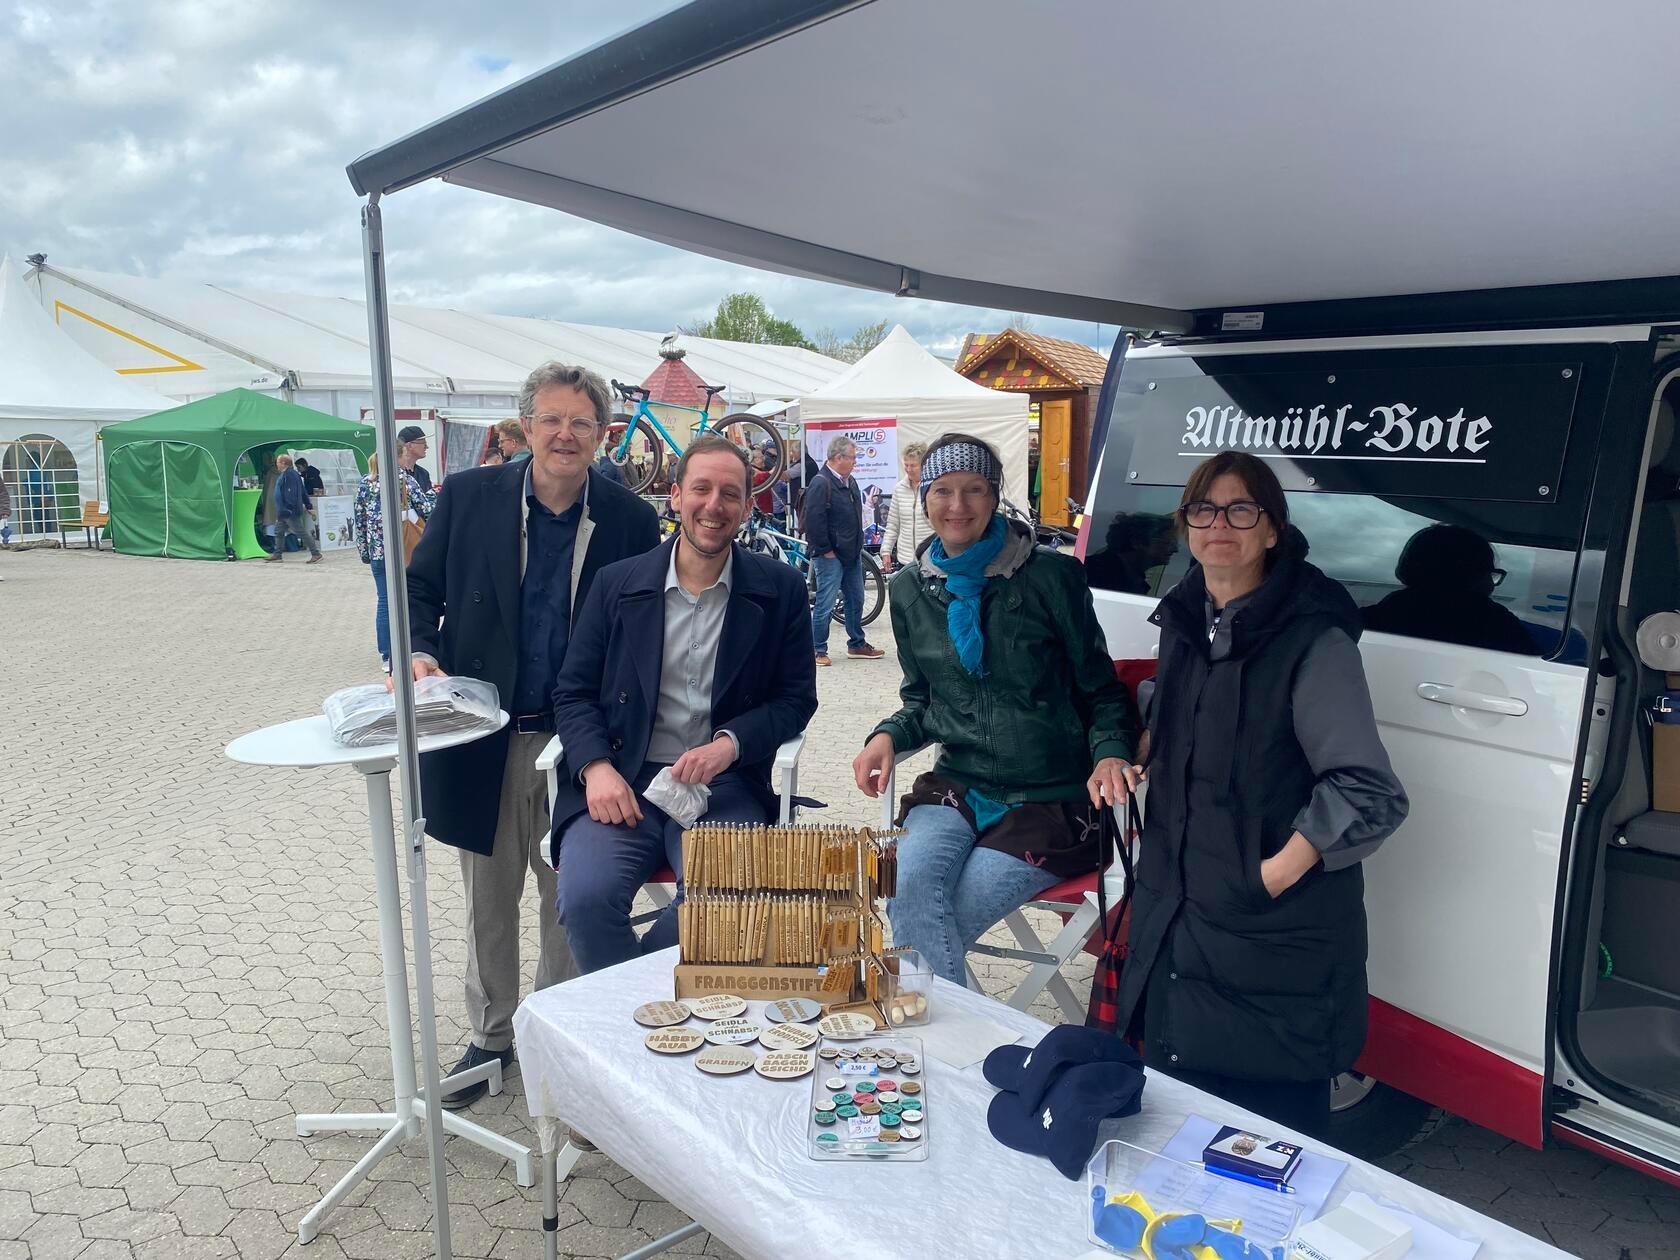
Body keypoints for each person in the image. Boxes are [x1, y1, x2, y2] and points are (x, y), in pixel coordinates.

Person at [1112, 451, 1409, 1139]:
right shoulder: (1190, 621)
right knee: (1176, 1140)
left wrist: (1272, 873)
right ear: (1186, 525)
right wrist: (1134, 745)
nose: (1221, 524)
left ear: (1273, 529)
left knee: (1267, 1160)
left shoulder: (1314, 639)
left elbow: (1368, 790)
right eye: (1204, 509)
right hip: (1182, 917)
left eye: (1242, 509)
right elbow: (1192, 714)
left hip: (1269, 933)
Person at [405, 361, 661, 1109]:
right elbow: (419, 586)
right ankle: (490, 1037)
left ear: (603, 435)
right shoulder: (468, 496)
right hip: (483, 733)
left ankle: (553, 1029)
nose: (565, 435)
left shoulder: (629, 519)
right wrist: (418, 649)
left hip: (581, 745)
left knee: (567, 896)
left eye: (582, 423)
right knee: (489, 896)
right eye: (551, 419)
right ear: (525, 427)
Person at [853, 433, 1138, 986]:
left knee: (932, 920)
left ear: (995, 495)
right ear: (921, 494)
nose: (957, 506)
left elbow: (1102, 691)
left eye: (974, 490)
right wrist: (887, 734)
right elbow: (922, 700)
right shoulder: (911, 590)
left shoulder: (1051, 578)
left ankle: (941, 1053)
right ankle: (946, 1051)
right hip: (957, 788)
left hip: (1050, 800)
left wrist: (1110, 754)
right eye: (942, 491)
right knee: (906, 890)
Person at [551, 436, 819, 972]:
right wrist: (595, 768)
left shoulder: (781, 588)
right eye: (700, 488)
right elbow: (573, 691)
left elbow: (795, 701)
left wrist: (729, 746)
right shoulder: (616, 584)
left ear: (747, 506)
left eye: (729, 494)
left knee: (718, 898)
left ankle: (631, 1011)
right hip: (623, 781)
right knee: (585, 901)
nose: (713, 506)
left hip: (724, 786)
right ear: (675, 496)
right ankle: (637, 1025)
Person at [1362, 523, 1533, 654]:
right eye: (1490, 573)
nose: (1491, 585)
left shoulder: (1363, 621)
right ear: (1472, 575)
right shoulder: (1497, 625)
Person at [804, 435, 884, 666]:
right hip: (830, 556)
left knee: (855, 599)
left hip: (851, 554)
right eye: (852, 458)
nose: (855, 462)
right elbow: (814, 521)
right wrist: (826, 550)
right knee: (825, 604)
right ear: (838, 457)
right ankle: (817, 649)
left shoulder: (850, 481)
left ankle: (857, 644)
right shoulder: (821, 483)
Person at [353, 452, 435, 670]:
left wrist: (364, 551)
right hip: (403, 548)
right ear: (397, 458)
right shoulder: (404, 479)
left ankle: (386, 654)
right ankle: (406, 647)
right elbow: (426, 508)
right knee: (407, 598)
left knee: (384, 600)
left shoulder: (365, 483)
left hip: (377, 551)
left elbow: (359, 519)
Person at [265, 454, 322, 564]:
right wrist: (308, 505)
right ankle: (277, 554)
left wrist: (288, 509)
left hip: (289, 511)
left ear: (283, 463)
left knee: (300, 532)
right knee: (279, 531)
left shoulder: (289, 475)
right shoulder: (292, 474)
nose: (276, 465)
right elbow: (303, 491)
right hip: (284, 511)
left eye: (277, 462)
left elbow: (290, 493)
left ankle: (316, 553)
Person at [879, 442, 927, 572]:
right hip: (905, 561)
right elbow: (893, 524)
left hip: (931, 560)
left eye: (913, 465)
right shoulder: (899, 489)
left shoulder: (934, 488)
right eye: (906, 465)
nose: (908, 469)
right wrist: (886, 550)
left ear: (924, 465)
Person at [398, 426, 434, 492]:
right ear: (409, 446)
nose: (427, 447)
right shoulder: (395, 474)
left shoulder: (423, 473)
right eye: (423, 443)